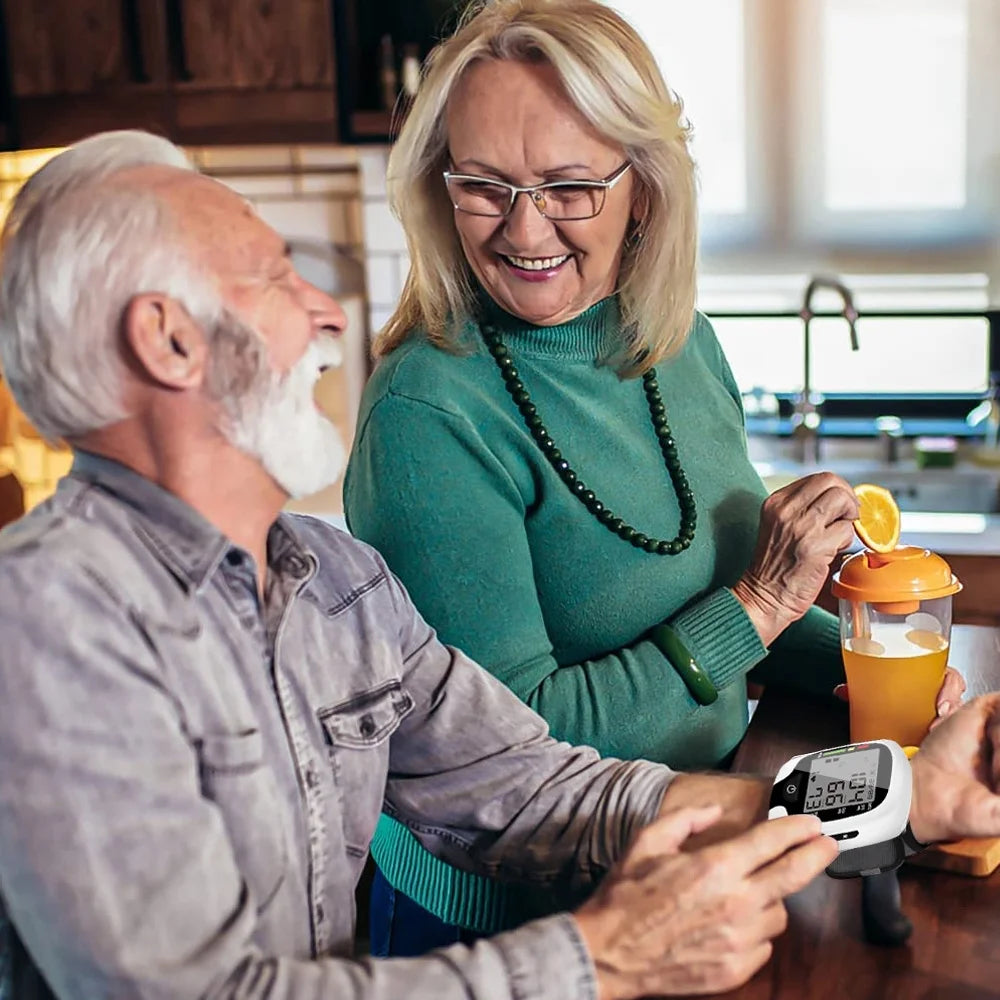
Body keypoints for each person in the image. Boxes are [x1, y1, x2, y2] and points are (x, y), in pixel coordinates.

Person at [0, 129, 993, 1000]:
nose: (331, 314)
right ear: (168, 339)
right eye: (276, 276)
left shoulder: (336, 587)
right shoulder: (44, 622)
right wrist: (602, 957)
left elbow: (537, 787)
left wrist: (901, 794)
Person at [342, 0, 966, 953]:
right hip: (511, 928)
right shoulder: (429, 415)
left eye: (567, 185)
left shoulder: (676, 340)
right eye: (484, 185)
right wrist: (758, 605)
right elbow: (513, 755)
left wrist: (867, 667)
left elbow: (734, 600)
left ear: (646, 184)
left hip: (690, 861)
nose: (524, 228)